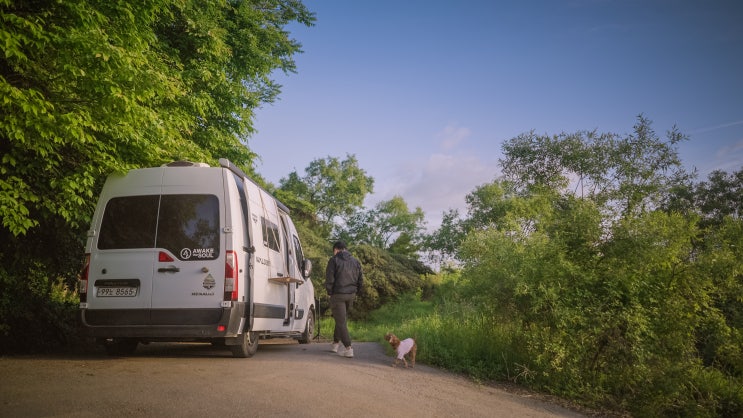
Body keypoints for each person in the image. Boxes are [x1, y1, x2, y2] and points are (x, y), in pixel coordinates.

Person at [325, 240, 363, 358]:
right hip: (351, 295)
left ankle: (348, 348)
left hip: (338, 295)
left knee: (341, 321)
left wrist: (329, 292)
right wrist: (356, 292)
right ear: (345, 249)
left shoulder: (334, 260)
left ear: (336, 250)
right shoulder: (355, 261)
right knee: (341, 319)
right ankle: (335, 344)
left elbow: (329, 278)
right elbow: (360, 280)